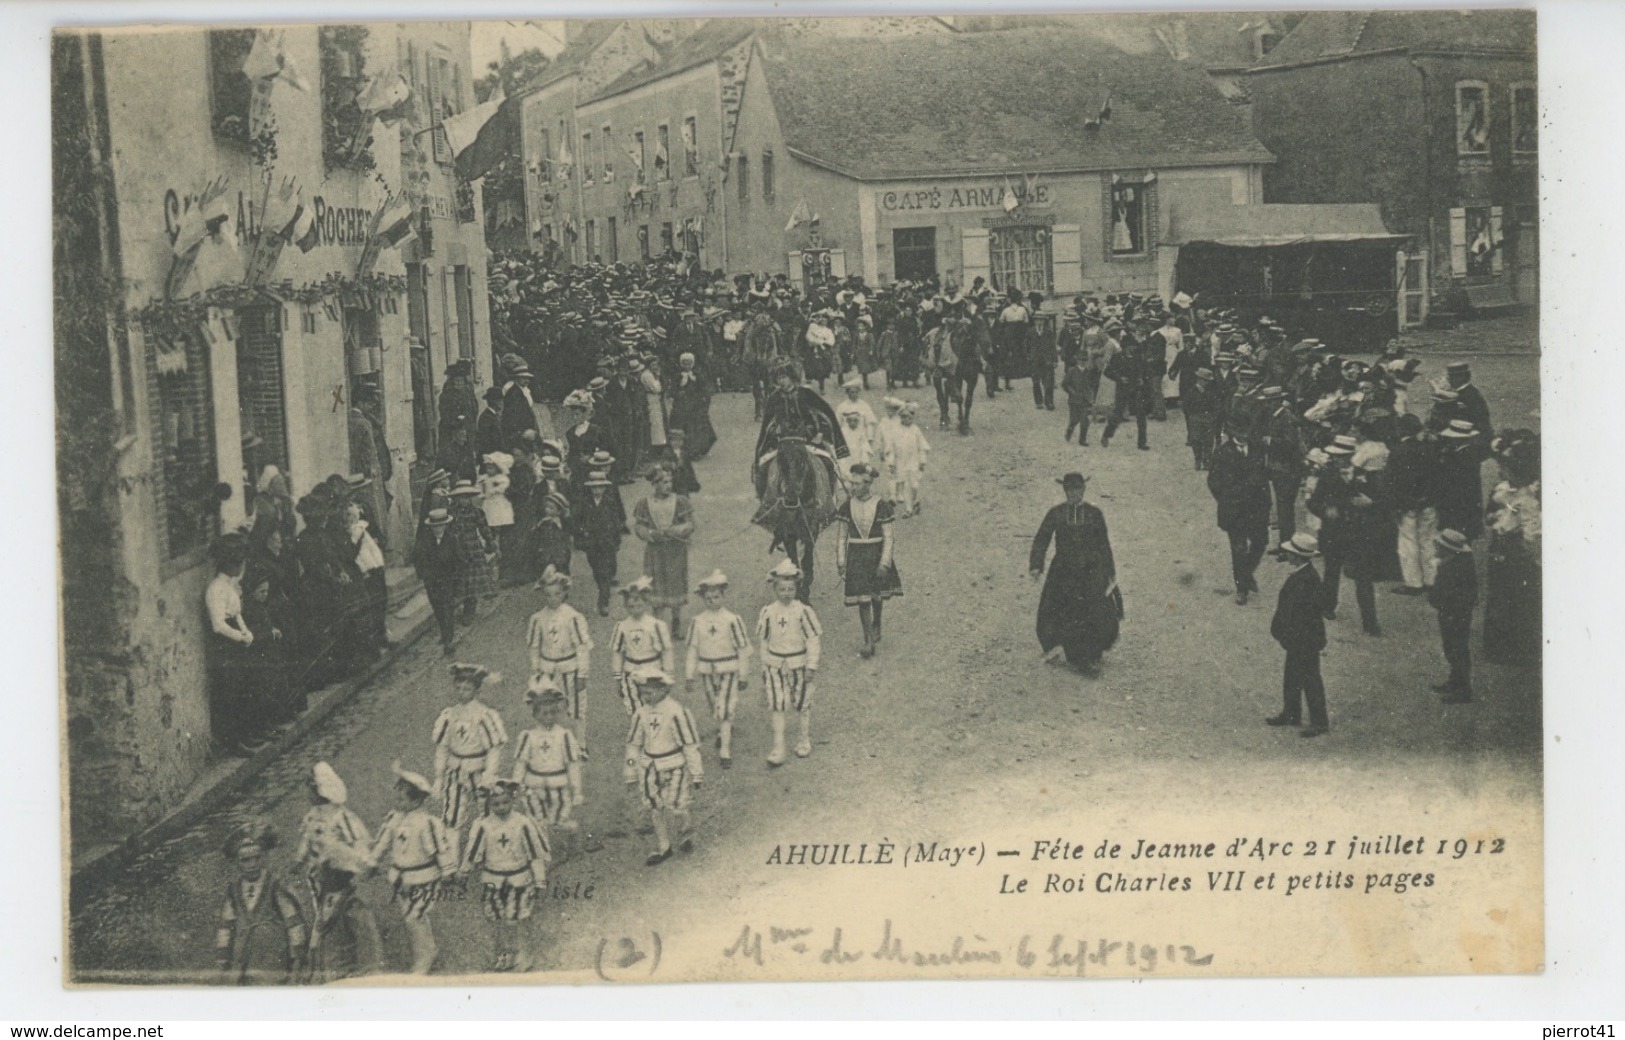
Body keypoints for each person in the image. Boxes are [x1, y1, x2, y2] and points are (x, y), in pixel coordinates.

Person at [368, 762, 459, 975]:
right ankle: (427, 950)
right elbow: (382, 842)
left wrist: (447, 871)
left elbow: (440, 849)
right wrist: (373, 862)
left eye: (402, 799)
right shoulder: (394, 819)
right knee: (410, 916)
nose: (397, 802)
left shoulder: (427, 823)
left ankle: (425, 956)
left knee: (414, 916)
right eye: (396, 797)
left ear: (417, 800)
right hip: (402, 878)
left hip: (425, 878)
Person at [295, 762, 380, 983]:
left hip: (346, 877)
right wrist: (299, 858)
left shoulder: (342, 817)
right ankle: (335, 965)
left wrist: (367, 862)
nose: (305, 793)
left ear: (318, 790)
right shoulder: (312, 817)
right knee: (326, 919)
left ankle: (370, 967)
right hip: (321, 877)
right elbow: (306, 839)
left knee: (357, 919)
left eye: (308, 788)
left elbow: (358, 841)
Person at [1029, 472, 1120, 676]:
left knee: (1092, 610)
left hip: (1090, 571)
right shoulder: (1056, 513)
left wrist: (1109, 572)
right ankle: (1062, 649)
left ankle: (1089, 655)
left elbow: (1103, 544)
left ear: (1083, 490)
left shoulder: (1094, 514)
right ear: (1065, 491)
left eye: (1078, 490)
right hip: (1063, 572)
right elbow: (1042, 538)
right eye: (1070, 490)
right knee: (1058, 610)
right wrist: (1036, 564)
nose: (1074, 494)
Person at [458, 779, 550, 973]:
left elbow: (534, 854)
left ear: (513, 800)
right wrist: (464, 871)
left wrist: (540, 880)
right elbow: (474, 852)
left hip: (519, 879)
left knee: (517, 918)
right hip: (493, 880)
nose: (501, 807)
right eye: (496, 804)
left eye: (505, 802)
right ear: (489, 804)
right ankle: (505, 955)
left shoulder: (523, 823)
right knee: (497, 919)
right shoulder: (483, 826)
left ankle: (524, 954)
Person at [622, 668, 703, 866]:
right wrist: (630, 770)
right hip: (649, 766)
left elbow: (689, 744)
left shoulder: (676, 712)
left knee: (676, 804)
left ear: (662, 690)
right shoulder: (641, 714)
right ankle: (664, 845)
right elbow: (633, 744)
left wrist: (696, 772)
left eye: (648, 692)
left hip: (674, 765)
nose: (644, 696)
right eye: (642, 692)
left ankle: (685, 832)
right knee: (654, 807)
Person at [215, 820, 307, 986]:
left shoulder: (275, 886)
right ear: (237, 862)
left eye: (257, 858)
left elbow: (293, 923)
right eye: (245, 860)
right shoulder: (234, 890)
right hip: (244, 961)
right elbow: (225, 927)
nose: (252, 864)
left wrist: (297, 959)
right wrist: (223, 961)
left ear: (263, 857)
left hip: (273, 959)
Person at [1482, 431, 1541, 667]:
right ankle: (1499, 645)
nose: (1501, 473)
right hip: (1503, 547)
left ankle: (1509, 648)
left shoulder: (1527, 501)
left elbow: (1531, 532)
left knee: (1511, 601)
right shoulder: (1508, 492)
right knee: (1500, 598)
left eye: (1506, 470)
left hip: (1514, 554)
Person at [757, 559, 823, 766]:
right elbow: (764, 641)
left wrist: (811, 665)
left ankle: (803, 739)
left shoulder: (803, 612)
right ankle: (778, 747)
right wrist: (765, 664)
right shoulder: (768, 612)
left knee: (802, 702)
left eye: (790, 589)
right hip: (775, 665)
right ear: (775, 590)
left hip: (799, 664)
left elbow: (813, 638)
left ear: (796, 589)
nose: (786, 593)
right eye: (782, 589)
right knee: (777, 704)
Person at [834, 463, 903, 659]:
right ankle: (868, 640)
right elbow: (841, 536)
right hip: (856, 556)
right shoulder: (847, 506)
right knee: (862, 599)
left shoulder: (881, 505)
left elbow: (888, 537)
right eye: (851, 483)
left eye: (857, 484)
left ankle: (877, 622)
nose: (852, 487)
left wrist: (885, 562)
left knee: (876, 595)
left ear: (868, 483)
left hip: (876, 553)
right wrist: (841, 561)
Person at [683, 570, 752, 769]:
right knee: (716, 706)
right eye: (708, 598)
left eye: (716, 597)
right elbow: (693, 649)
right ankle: (724, 731)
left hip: (729, 669)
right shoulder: (698, 622)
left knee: (726, 708)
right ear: (703, 599)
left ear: (723, 596)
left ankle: (725, 750)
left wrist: (743, 673)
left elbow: (742, 648)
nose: (712, 601)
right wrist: (689, 675)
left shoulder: (732, 619)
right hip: (707, 670)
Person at [430, 662, 509, 834]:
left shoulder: (483, 715)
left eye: (466, 688)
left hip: (478, 770)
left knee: (488, 810)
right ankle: (450, 857)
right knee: (451, 814)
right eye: (458, 688)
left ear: (476, 690)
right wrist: (438, 777)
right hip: (455, 770)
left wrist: (490, 773)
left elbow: (494, 748)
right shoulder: (449, 715)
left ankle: (495, 851)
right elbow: (442, 747)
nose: (461, 692)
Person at [1266, 533, 1330, 738]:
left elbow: (1299, 612)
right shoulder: (1304, 575)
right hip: (1300, 638)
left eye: (1290, 553)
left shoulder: (1306, 580)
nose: (1288, 555)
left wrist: (1285, 631)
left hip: (1304, 638)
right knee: (1292, 676)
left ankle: (1319, 722)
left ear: (1298, 556)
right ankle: (1292, 713)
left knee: (1310, 679)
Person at [205, 534, 262, 756]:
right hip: (224, 646)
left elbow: (236, 614)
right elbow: (218, 625)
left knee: (243, 688)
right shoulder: (215, 589)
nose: (241, 568)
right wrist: (240, 636)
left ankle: (245, 732)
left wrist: (246, 630)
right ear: (230, 563)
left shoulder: (230, 586)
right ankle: (232, 740)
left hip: (237, 641)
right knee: (229, 691)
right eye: (239, 563)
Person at [512, 682, 587, 838]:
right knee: (536, 821)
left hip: (558, 785)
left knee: (557, 819)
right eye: (544, 713)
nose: (549, 717)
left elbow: (573, 765)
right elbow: (521, 763)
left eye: (553, 713)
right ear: (535, 714)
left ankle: (562, 840)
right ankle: (540, 852)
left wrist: (577, 790)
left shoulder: (564, 735)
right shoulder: (528, 736)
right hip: (533, 786)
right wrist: (515, 784)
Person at [1207, 427, 1272, 605]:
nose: (1245, 434)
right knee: (1239, 550)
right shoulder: (1222, 453)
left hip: (1257, 507)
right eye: (1241, 431)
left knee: (1261, 542)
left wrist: (1266, 502)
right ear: (1233, 432)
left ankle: (1246, 573)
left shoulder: (1258, 448)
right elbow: (1213, 481)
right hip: (1235, 511)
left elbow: (1264, 475)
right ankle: (1241, 589)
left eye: (1247, 431)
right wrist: (1226, 499)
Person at [526, 566, 594, 733]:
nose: (553, 599)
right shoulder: (538, 619)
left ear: (564, 594)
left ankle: (580, 742)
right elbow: (534, 647)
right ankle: (554, 740)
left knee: (576, 706)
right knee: (548, 706)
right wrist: (536, 671)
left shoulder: (572, 617)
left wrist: (582, 674)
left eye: (557, 594)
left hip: (569, 669)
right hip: (547, 669)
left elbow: (582, 647)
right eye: (548, 595)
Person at [632, 464, 695, 636]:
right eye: (664, 482)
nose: (669, 485)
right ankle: (658, 625)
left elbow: (690, 523)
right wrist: (651, 534)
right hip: (656, 551)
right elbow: (639, 527)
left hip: (675, 550)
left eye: (670, 481)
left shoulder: (680, 501)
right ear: (655, 484)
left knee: (675, 582)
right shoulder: (645, 503)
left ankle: (676, 621)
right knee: (656, 582)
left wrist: (677, 530)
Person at [1388, 414, 1439, 595]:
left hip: (1406, 505)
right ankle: (1431, 579)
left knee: (1408, 543)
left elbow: (1393, 482)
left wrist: (1398, 504)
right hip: (1428, 502)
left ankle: (1413, 583)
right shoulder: (1427, 449)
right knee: (1428, 540)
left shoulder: (1397, 451)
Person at [610, 577, 677, 716]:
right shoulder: (622, 627)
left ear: (646, 603)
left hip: (652, 670)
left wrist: (668, 674)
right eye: (631, 607)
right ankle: (638, 734)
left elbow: (666, 651)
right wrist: (617, 677)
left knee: (655, 705)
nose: (635, 610)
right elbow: (617, 652)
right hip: (631, 671)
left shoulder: (656, 625)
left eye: (639, 605)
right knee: (634, 707)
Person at [1429, 529, 1479, 703]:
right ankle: (1455, 681)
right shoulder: (1454, 561)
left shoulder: (1458, 566)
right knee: (1451, 648)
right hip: (1449, 611)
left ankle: (1463, 689)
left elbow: (1461, 593)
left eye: (1439, 546)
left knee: (1457, 649)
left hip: (1456, 613)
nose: (1436, 548)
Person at [572, 468, 623, 617]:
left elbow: (616, 522)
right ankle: (602, 588)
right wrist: (581, 535)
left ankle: (604, 601)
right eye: (594, 487)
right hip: (591, 543)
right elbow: (577, 521)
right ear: (589, 487)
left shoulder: (610, 502)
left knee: (605, 572)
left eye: (600, 486)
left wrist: (616, 539)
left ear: (605, 487)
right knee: (597, 571)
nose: (597, 490)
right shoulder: (585, 503)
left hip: (607, 542)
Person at [1259, 387, 1305, 554]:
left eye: (1268, 402)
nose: (1266, 405)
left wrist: (1270, 441)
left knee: (1285, 509)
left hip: (1288, 470)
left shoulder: (1286, 418)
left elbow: (1290, 445)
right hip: (1281, 469)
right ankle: (1285, 544)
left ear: (1275, 402)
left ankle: (1288, 547)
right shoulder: (1277, 417)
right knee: (1283, 508)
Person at [413, 508, 462, 656]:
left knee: (447, 609)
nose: (438, 529)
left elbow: (459, 562)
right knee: (438, 609)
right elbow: (417, 560)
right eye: (435, 526)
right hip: (432, 583)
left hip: (448, 581)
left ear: (446, 525)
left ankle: (448, 641)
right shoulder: (424, 541)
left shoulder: (452, 540)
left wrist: (456, 580)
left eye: (441, 525)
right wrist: (424, 575)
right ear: (431, 527)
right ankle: (444, 634)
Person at [448, 480, 497, 626]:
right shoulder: (451, 513)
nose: (464, 500)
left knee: (472, 581)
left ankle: (469, 610)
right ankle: (459, 606)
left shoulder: (476, 511)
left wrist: (491, 544)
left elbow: (485, 529)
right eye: (461, 497)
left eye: (467, 497)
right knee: (460, 580)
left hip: (473, 549)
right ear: (456, 498)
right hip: (457, 549)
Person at [1101, 327, 1152, 450]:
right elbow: (1107, 371)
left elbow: (1145, 370)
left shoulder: (1137, 357)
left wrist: (1142, 379)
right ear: (1125, 347)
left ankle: (1142, 443)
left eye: (1134, 346)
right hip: (1123, 389)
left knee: (1141, 416)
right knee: (1117, 415)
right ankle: (1107, 435)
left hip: (1136, 389)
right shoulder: (1118, 357)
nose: (1133, 348)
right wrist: (1120, 378)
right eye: (1131, 346)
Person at [666, 353, 717, 459]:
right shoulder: (678, 376)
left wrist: (703, 399)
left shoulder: (697, 375)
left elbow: (704, 389)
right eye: (684, 363)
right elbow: (672, 391)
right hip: (682, 406)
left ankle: (697, 451)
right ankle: (686, 451)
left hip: (695, 406)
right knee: (683, 429)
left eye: (688, 363)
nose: (686, 365)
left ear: (692, 364)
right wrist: (677, 393)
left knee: (697, 428)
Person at [890, 402, 931, 518]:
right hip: (901, 462)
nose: (907, 419)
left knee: (914, 485)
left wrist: (922, 461)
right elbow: (892, 448)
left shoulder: (915, 430)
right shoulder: (896, 431)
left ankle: (915, 501)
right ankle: (909, 509)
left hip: (914, 461)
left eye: (909, 417)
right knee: (906, 485)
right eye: (904, 417)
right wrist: (891, 463)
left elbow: (922, 447)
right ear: (900, 418)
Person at [480, 453, 516, 583]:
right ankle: (492, 547)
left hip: (499, 504)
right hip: (489, 505)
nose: (489, 471)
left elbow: (503, 487)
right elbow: (480, 490)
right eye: (487, 468)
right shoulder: (484, 478)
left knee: (500, 527)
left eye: (492, 468)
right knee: (489, 526)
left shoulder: (501, 478)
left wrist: (495, 489)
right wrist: (483, 493)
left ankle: (499, 548)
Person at [1182, 368, 1221, 471]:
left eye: (1207, 381)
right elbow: (1186, 405)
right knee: (1196, 440)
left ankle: (1207, 461)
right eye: (1203, 380)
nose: (1205, 382)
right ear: (1199, 379)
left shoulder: (1211, 391)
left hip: (1208, 418)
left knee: (1208, 441)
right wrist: (1191, 416)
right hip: (1195, 417)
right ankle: (1198, 460)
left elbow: (1216, 405)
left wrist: (1213, 416)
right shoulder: (1191, 390)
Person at [500, 357, 541, 453]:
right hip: (521, 434)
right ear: (517, 378)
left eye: (527, 378)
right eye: (523, 378)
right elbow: (514, 418)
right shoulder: (514, 394)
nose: (526, 380)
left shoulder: (521, 391)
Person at [1061, 354, 1094, 446]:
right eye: (1081, 360)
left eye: (1085, 360)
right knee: (1074, 420)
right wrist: (1071, 392)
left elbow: (1091, 385)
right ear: (1077, 360)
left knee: (1084, 421)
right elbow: (1064, 384)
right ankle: (1068, 433)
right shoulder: (1072, 371)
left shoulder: (1089, 372)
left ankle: (1082, 440)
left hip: (1085, 400)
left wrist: (1090, 396)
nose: (1083, 362)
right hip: (1074, 401)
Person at [476, 387, 505, 460]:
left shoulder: (494, 415)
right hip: (491, 457)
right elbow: (485, 442)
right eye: (500, 400)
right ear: (494, 401)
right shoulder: (486, 418)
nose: (502, 403)